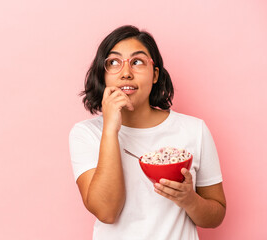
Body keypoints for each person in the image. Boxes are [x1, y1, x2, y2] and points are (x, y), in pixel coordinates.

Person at [69, 25, 226, 240]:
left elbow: (216, 216)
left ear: (155, 75)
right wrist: (110, 129)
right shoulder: (86, 134)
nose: (126, 73)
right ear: (103, 75)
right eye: (114, 62)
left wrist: (189, 200)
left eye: (137, 62)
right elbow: (107, 212)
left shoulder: (194, 129)